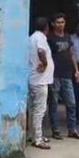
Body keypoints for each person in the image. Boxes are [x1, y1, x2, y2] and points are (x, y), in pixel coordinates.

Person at [47, 13, 79, 141]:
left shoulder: (68, 37)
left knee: (71, 103)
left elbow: (72, 54)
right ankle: (55, 130)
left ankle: (72, 130)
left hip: (67, 74)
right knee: (54, 104)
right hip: (54, 75)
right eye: (58, 22)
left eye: (62, 22)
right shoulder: (50, 38)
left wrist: (76, 70)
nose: (60, 24)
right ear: (53, 24)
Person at [26, 17, 54, 150]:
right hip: (40, 81)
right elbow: (41, 51)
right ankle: (37, 139)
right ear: (46, 27)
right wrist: (45, 63)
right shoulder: (41, 37)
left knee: (32, 109)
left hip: (33, 79)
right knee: (39, 110)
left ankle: (33, 135)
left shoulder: (32, 37)